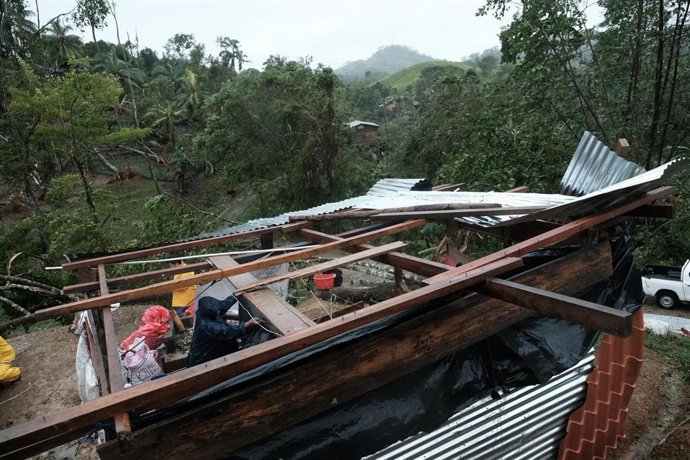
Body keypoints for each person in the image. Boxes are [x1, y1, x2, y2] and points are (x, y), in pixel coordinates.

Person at [187, 296, 260, 367]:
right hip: (203, 360)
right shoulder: (208, 326)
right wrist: (249, 323)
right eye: (218, 313)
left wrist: (235, 296)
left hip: (209, 349)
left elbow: (222, 306)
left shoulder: (202, 312)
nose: (219, 313)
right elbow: (228, 331)